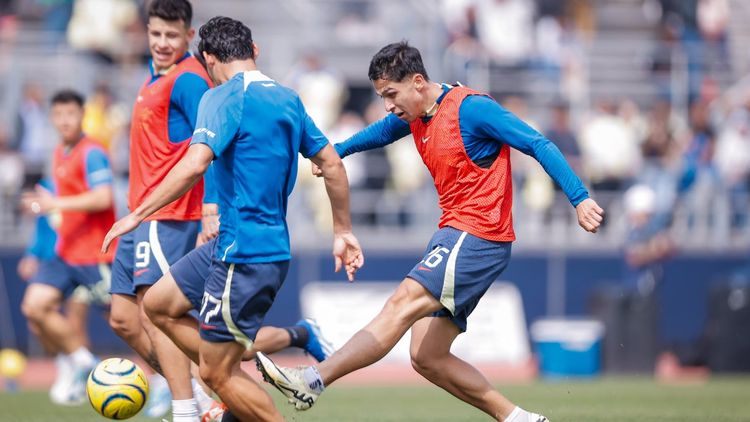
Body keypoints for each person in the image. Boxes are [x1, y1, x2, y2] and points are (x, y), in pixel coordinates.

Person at [256, 41, 604, 422]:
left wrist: (580, 197)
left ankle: (313, 380)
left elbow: (536, 143)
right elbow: (380, 132)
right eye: (381, 96)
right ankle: (521, 419)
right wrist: (335, 152)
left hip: (477, 234)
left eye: (391, 94)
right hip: (457, 235)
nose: (388, 105)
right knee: (426, 356)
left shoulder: (472, 109)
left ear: (418, 81)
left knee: (401, 303)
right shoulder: (415, 115)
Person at [101, 16, 363, 421]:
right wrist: (343, 229)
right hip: (250, 245)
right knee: (157, 305)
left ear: (207, 58)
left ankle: (220, 387)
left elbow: (193, 165)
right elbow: (331, 162)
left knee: (215, 373)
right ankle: (224, 383)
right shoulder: (289, 98)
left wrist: (135, 214)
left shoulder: (220, 96)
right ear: (254, 50)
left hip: (242, 253)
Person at [19, 89, 115, 405]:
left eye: (70, 114)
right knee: (34, 306)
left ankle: (168, 382)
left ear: (82, 115)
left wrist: (54, 203)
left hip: (95, 255)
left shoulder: (92, 152)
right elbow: (60, 210)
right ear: (51, 118)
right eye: (58, 115)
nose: (64, 121)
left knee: (127, 324)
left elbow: (103, 198)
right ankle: (81, 362)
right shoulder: (60, 152)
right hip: (66, 253)